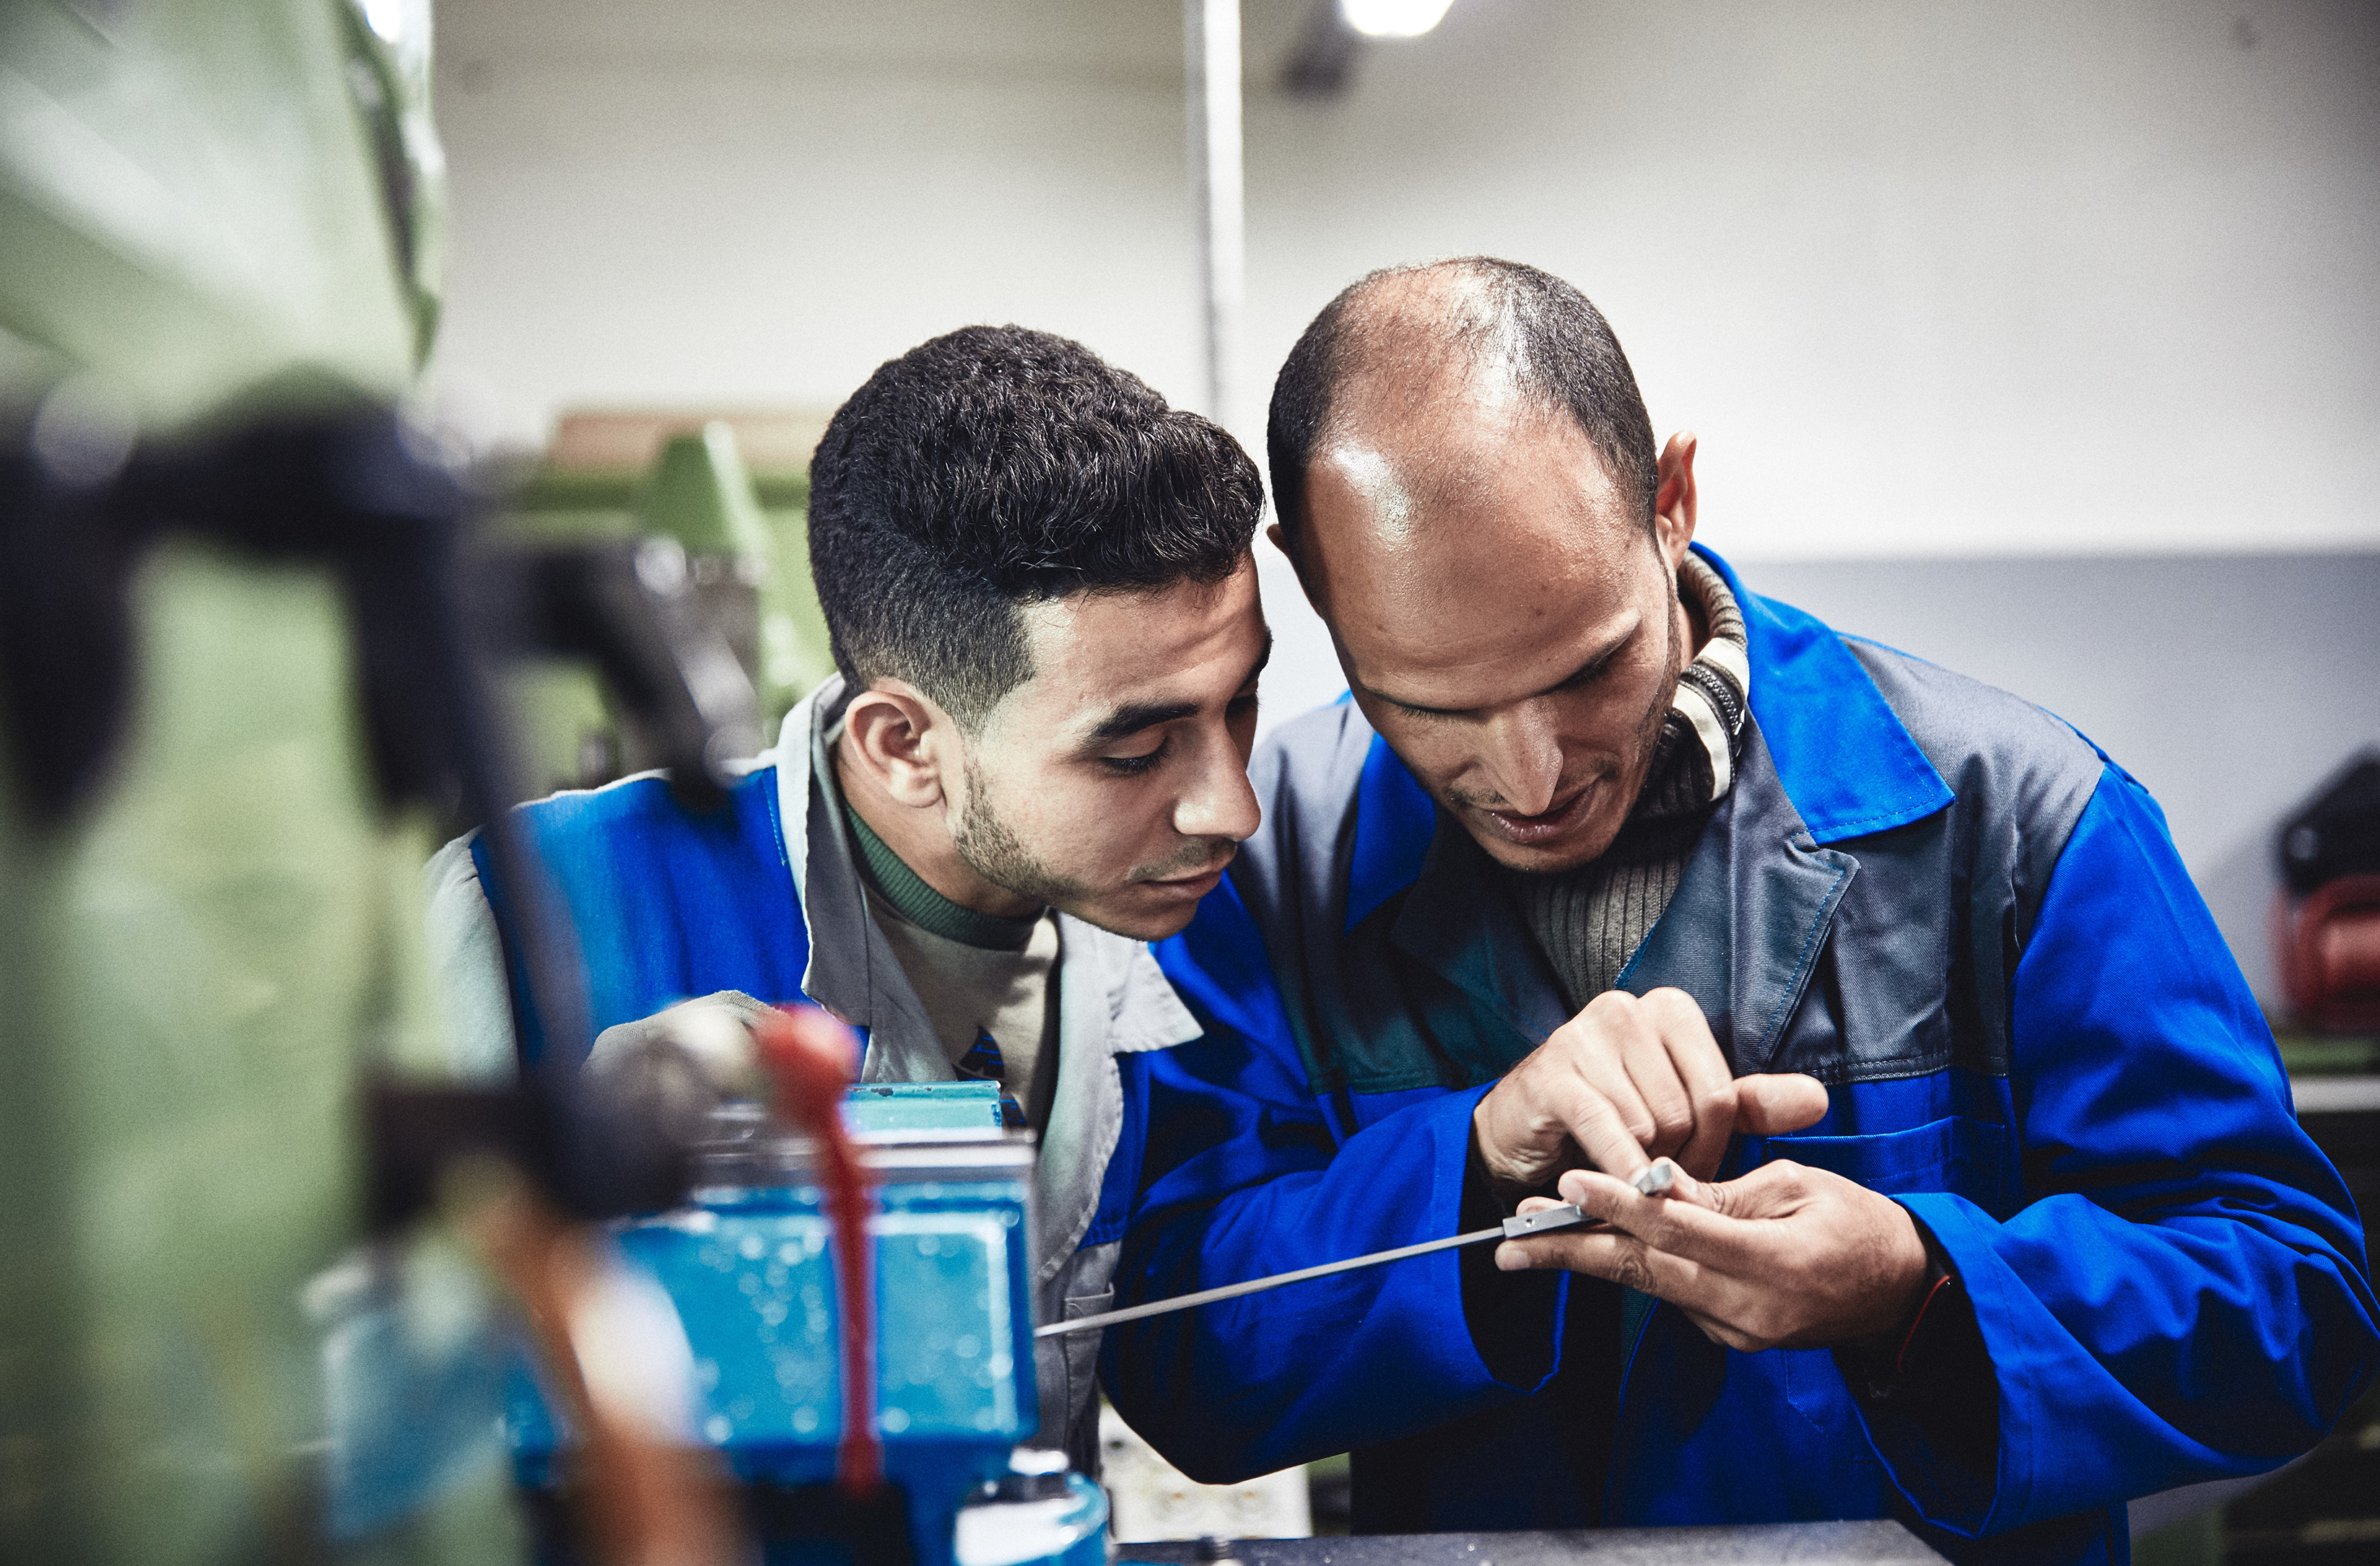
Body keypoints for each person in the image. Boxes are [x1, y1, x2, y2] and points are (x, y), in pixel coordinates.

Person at [1104, 259, 2377, 1563]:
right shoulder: (1264, 869)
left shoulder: (2016, 820)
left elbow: (2298, 1306)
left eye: (1587, 667)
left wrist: (1925, 1289)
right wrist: (1472, 1165)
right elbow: (1175, 1350)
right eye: (1429, 705)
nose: (1533, 775)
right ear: (1312, 581)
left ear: (1669, 502)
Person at [426, 325, 1270, 1473]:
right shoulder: (527, 907)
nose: (1230, 807)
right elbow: (348, 1414)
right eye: (1136, 750)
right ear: (903, 742)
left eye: (1239, 706)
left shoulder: (1178, 920)